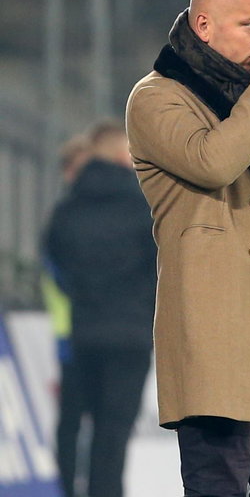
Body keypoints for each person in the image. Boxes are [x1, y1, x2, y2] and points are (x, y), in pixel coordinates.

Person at [125, 0, 250, 497]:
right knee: (220, 486)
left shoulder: (248, 97)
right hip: (219, 329)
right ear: (204, 25)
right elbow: (214, 163)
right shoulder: (157, 98)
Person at [44, 121, 157, 497]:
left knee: (80, 423)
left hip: (85, 333)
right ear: (124, 156)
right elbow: (160, 264)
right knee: (114, 430)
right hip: (132, 334)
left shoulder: (68, 208)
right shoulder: (144, 206)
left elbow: (54, 261)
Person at [41, 132, 92, 497]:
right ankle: (69, 485)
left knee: (83, 421)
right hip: (71, 335)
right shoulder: (65, 216)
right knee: (73, 420)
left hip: (78, 331)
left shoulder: (66, 216)